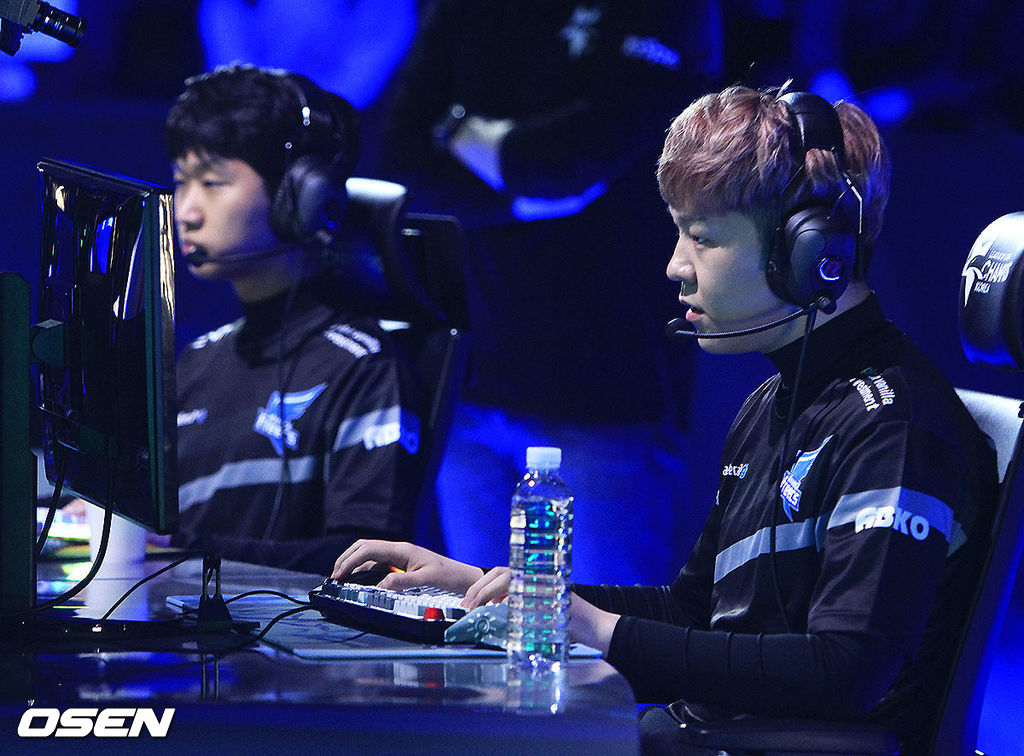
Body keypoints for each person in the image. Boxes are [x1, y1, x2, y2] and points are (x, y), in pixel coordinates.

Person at [332, 85, 998, 754]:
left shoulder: (893, 427)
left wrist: (598, 630)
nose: (675, 266)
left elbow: (847, 673)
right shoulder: (772, 405)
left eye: (702, 237)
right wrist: (493, 589)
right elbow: (695, 612)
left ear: (810, 251)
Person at [375, 0, 725, 584]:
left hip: (608, 394)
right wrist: (522, 197)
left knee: (607, 629)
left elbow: (575, 158)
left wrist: (458, 132)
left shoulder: (668, 9)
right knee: (474, 628)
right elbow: (399, 157)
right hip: (473, 381)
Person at [166, 64, 423, 575]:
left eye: (213, 182)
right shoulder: (196, 362)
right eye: (180, 183)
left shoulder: (363, 366)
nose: (187, 212)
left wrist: (180, 550)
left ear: (303, 198)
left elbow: (371, 563)